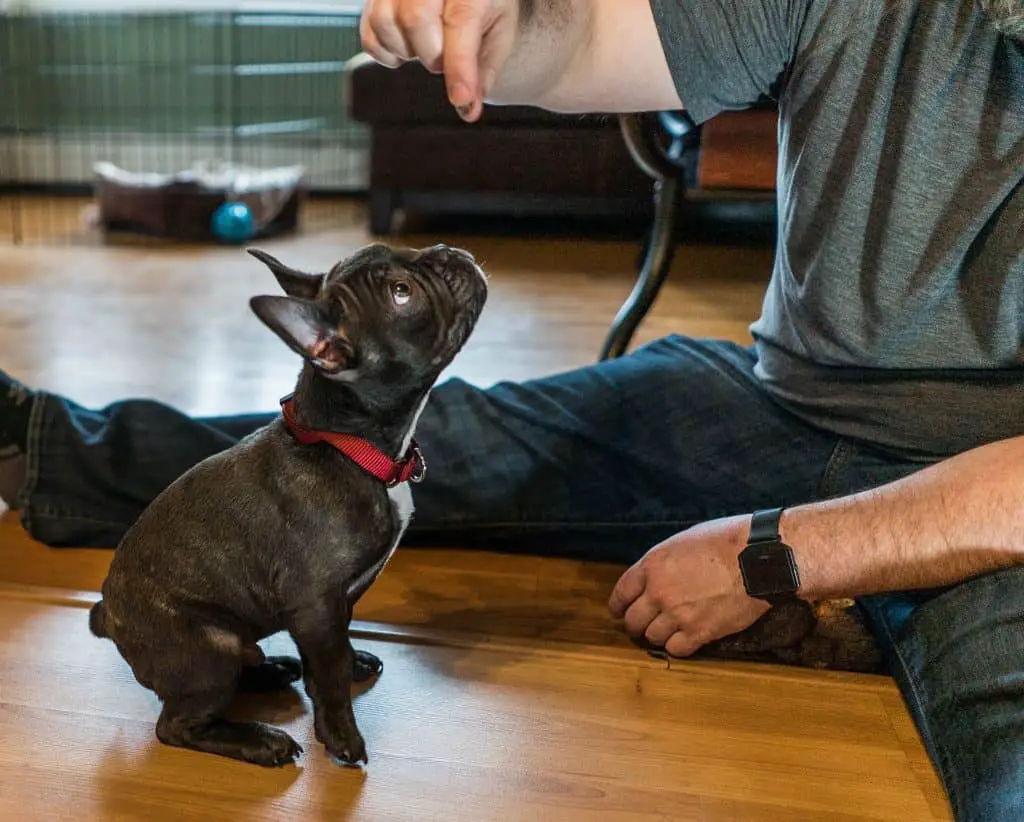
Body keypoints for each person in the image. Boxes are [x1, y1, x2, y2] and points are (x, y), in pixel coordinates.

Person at [0, 0, 1021, 816]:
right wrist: (499, 23)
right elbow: (596, 38)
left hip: (999, 497)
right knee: (338, 458)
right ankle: (38, 445)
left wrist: (782, 553)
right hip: (784, 395)